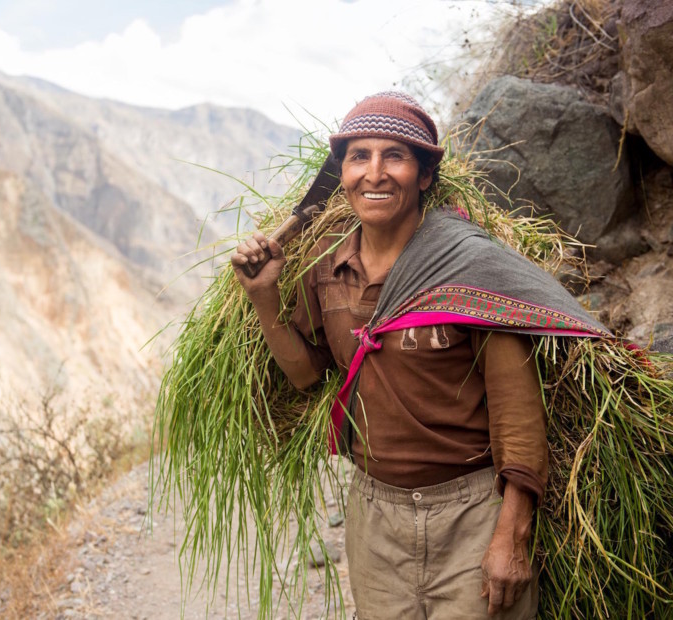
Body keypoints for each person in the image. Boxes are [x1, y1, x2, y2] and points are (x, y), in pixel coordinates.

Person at [231, 92, 604, 618]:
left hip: (472, 513)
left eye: (396, 157)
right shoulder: (327, 268)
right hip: (373, 516)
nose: (375, 174)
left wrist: (511, 536)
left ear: (425, 175)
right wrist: (264, 296)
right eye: (359, 156)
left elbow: (518, 414)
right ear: (342, 174)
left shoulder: (468, 267)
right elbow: (305, 376)